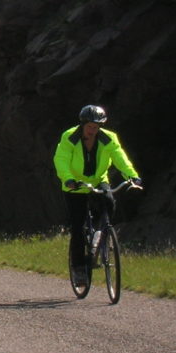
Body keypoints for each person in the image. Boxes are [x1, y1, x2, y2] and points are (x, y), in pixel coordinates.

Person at [53, 105, 142, 286]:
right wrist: (69, 179)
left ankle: (102, 234)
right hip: (75, 185)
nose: (93, 130)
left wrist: (132, 175)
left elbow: (120, 157)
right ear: (83, 124)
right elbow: (60, 160)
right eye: (90, 126)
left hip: (98, 180)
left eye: (97, 126)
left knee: (109, 201)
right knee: (77, 227)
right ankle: (78, 269)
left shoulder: (108, 138)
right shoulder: (70, 137)